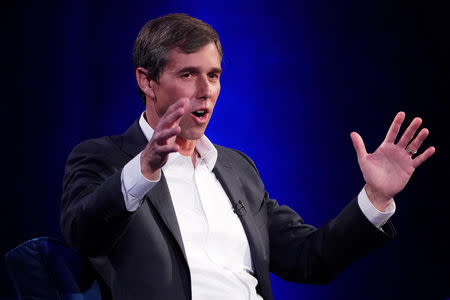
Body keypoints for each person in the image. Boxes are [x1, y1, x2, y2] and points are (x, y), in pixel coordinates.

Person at [60, 13, 435, 300]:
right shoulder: (103, 158)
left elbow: (309, 258)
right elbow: (83, 234)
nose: (205, 90)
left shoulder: (237, 169)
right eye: (188, 74)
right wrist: (144, 168)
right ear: (147, 80)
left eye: (214, 75)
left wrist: (375, 198)